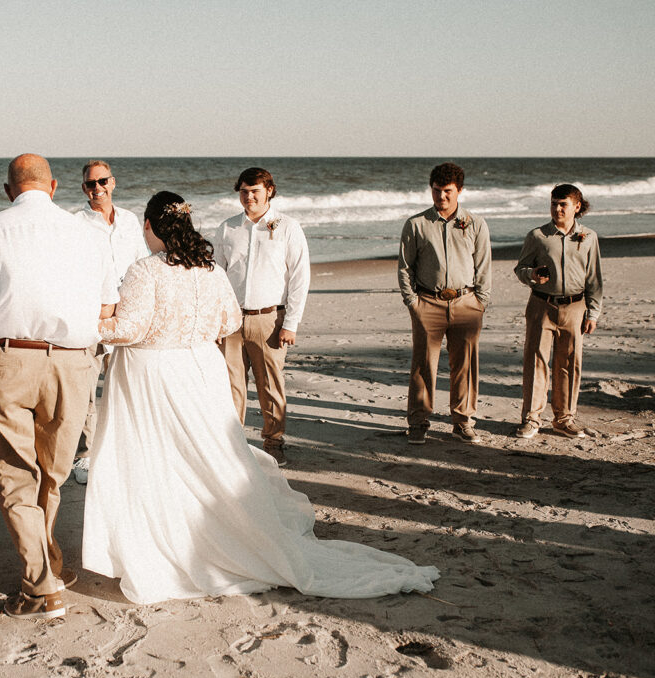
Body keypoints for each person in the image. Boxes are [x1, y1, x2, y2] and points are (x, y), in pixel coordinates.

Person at [82, 192, 439, 605]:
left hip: (155, 378)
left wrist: (89, 321)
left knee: (157, 459)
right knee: (206, 456)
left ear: (149, 227)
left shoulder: (144, 270)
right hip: (199, 371)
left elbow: (129, 330)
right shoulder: (209, 269)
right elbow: (231, 320)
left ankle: (168, 546)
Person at [0, 153, 118, 620]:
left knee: (14, 472)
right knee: (51, 472)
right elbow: (106, 312)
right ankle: (49, 563)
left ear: (8, 191)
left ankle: (41, 587)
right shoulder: (91, 234)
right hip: (72, 365)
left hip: (3, 361)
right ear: (56, 187)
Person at [211, 168, 310, 464]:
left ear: (269, 191)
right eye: (243, 191)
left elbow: (299, 278)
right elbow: (216, 275)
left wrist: (290, 324)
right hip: (231, 321)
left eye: (254, 190)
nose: (248, 196)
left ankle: (274, 441)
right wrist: (215, 320)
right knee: (230, 385)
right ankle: (233, 443)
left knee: (270, 384)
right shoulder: (228, 228)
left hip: (269, 320)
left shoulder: (287, 227)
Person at [398, 162, 492, 445]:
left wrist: (481, 301)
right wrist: (412, 302)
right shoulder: (416, 224)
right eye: (437, 191)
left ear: (459, 190)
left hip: (466, 303)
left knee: (464, 365)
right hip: (428, 302)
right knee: (423, 366)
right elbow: (405, 267)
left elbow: (484, 265)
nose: (441, 197)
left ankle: (463, 421)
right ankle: (418, 422)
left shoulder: (475, 223)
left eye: (448, 191)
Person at [71, 160, 150, 484]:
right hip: (91, 315)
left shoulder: (130, 221)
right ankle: (83, 455)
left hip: (127, 314)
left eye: (102, 181)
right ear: (83, 188)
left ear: (113, 183)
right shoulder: (75, 223)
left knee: (125, 384)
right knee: (86, 389)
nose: (97, 188)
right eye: (90, 184)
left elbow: (142, 263)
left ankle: (122, 451)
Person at [513, 185, 603, 439]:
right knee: (536, 362)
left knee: (569, 364)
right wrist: (531, 275)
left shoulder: (589, 237)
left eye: (563, 204)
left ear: (577, 206)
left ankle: (564, 419)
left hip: (576, 307)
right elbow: (520, 268)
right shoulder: (538, 236)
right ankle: (531, 419)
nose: (557, 209)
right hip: (542, 305)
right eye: (553, 203)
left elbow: (594, 279)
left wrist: (593, 313)